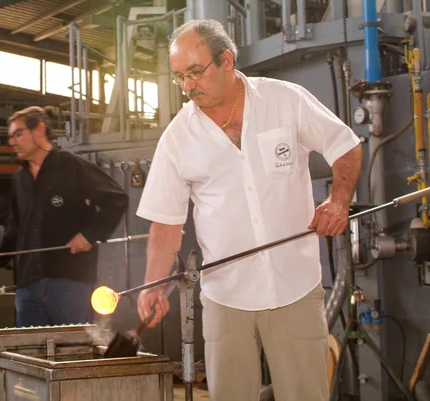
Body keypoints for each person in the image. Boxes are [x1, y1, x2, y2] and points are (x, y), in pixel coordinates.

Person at [135, 19, 362, 401]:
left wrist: (339, 199)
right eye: (179, 77)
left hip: (295, 285)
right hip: (227, 298)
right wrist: (155, 285)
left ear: (226, 60)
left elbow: (345, 144)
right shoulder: (178, 137)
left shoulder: (285, 100)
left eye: (195, 72)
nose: (188, 86)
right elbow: (165, 224)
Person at [0, 106, 129, 328]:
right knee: (31, 353)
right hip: (27, 283)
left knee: (73, 350)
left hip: (69, 279)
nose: (13, 142)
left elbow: (116, 198)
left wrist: (89, 235)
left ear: (39, 130)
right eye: (11, 137)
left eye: (18, 134)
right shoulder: (20, 179)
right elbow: (15, 229)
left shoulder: (71, 165)